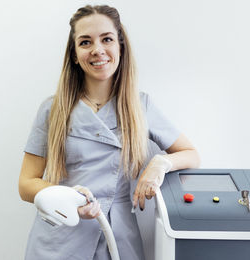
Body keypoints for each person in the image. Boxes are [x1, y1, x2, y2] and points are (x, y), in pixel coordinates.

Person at [18, 4, 200, 260]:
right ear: (74, 54)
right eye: (85, 42)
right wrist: (66, 197)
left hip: (117, 236)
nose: (97, 50)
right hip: (59, 240)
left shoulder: (141, 106)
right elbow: (26, 184)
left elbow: (191, 154)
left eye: (107, 39)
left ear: (120, 47)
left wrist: (161, 162)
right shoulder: (53, 110)